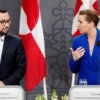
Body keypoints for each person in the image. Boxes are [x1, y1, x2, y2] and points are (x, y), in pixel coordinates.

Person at [69, 9, 100, 85]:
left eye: (81, 22)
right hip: (84, 88)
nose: (78, 25)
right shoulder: (77, 41)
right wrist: (74, 59)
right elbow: (74, 70)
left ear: (91, 24)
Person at [0, 9, 26, 86]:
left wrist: (4, 83)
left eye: (8, 21)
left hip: (9, 89)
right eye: (2, 22)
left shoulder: (16, 42)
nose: (7, 25)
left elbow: (21, 68)